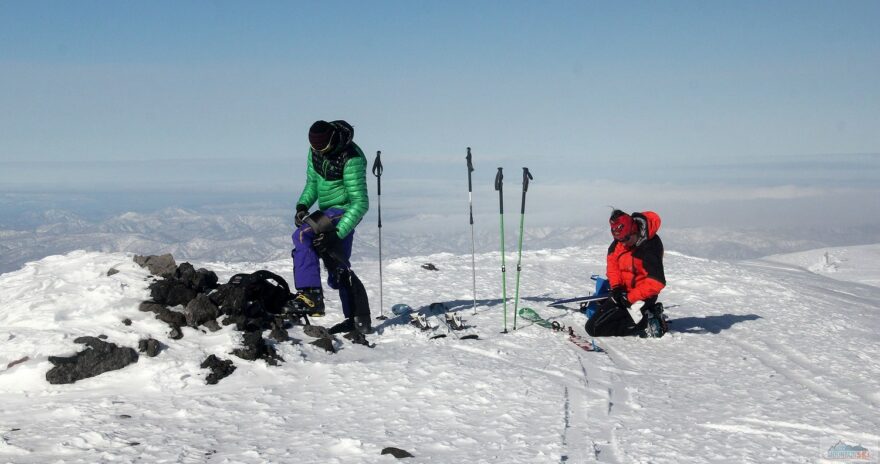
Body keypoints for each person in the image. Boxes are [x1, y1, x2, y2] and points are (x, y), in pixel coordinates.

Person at [285, 120, 371, 333]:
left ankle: (311, 296)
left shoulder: (352, 158)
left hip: (344, 210)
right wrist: (302, 205)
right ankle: (358, 320)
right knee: (337, 265)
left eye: (322, 148)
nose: (318, 151)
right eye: (315, 148)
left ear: (332, 141)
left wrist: (338, 232)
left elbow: (360, 203)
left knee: (303, 236)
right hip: (327, 211)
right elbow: (313, 183)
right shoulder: (315, 151)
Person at [585, 209, 668, 337]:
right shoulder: (620, 243)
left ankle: (647, 321)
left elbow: (656, 282)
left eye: (626, 239)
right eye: (619, 239)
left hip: (642, 296)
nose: (623, 243)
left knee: (595, 329)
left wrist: (630, 298)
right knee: (592, 327)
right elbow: (613, 267)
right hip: (623, 294)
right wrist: (617, 287)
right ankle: (647, 314)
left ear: (634, 230)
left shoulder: (650, 246)